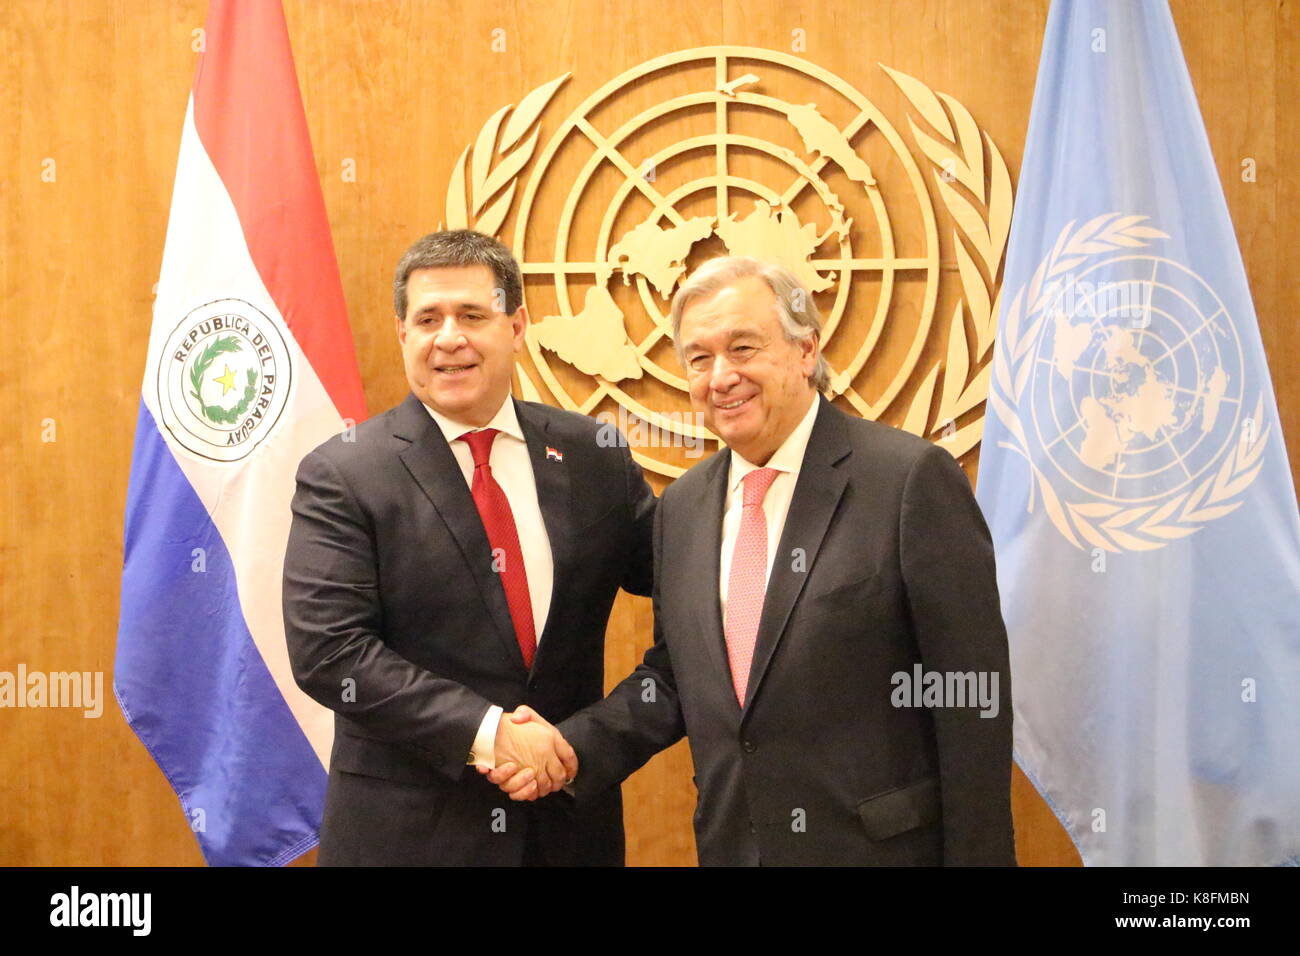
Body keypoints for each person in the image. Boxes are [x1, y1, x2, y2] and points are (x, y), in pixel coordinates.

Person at [489, 256, 1015, 865]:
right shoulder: (682, 507)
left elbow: (969, 696)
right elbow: (675, 679)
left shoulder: (907, 481)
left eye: (743, 348)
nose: (721, 377)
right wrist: (573, 748)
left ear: (805, 350)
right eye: (700, 358)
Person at [283, 229, 655, 866]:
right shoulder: (345, 473)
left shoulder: (595, 456)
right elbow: (329, 650)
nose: (448, 337)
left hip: (567, 831)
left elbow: (691, 598)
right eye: (428, 318)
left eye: (472, 315)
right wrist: (490, 734)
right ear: (403, 334)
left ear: (516, 326)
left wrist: (587, 745)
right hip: (409, 837)